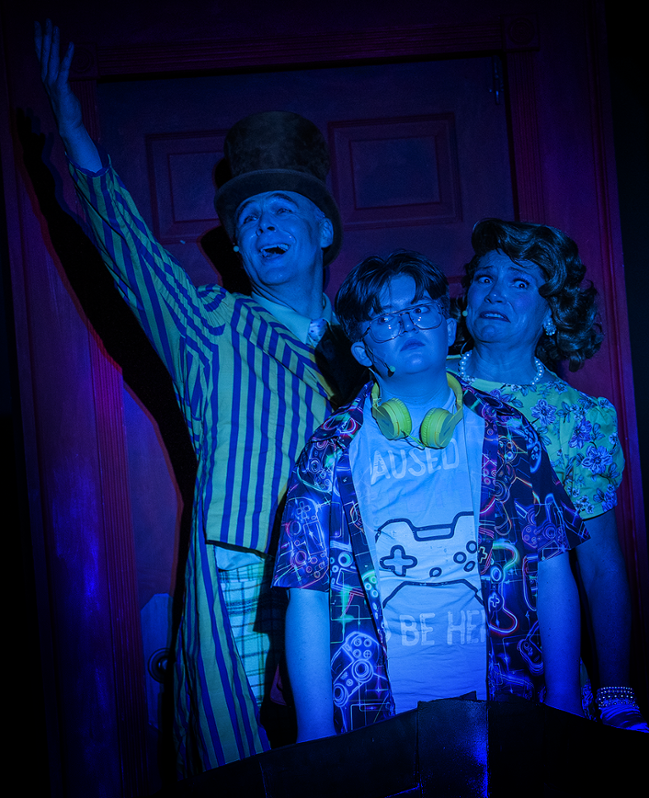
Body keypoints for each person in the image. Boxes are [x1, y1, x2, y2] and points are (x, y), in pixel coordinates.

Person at [35, 20, 363, 774]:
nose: (263, 223)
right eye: (249, 219)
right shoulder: (211, 322)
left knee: (349, 751)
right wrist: (75, 136)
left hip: (346, 569)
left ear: (322, 231)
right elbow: (133, 257)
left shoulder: (365, 345)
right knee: (235, 759)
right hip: (241, 564)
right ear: (238, 249)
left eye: (281, 209)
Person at [273, 250, 589, 741]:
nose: (407, 324)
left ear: (449, 326)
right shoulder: (328, 451)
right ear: (362, 351)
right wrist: (314, 731)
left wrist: (565, 694)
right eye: (385, 318)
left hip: (507, 708)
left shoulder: (509, 434)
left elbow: (552, 570)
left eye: (421, 309)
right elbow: (307, 598)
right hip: (375, 718)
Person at [449, 217, 647, 731]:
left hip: (540, 669)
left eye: (520, 283)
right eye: (485, 277)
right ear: (466, 299)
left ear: (553, 313)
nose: (495, 292)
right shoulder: (416, 382)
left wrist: (617, 694)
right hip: (424, 645)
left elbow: (600, 566)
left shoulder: (577, 419)